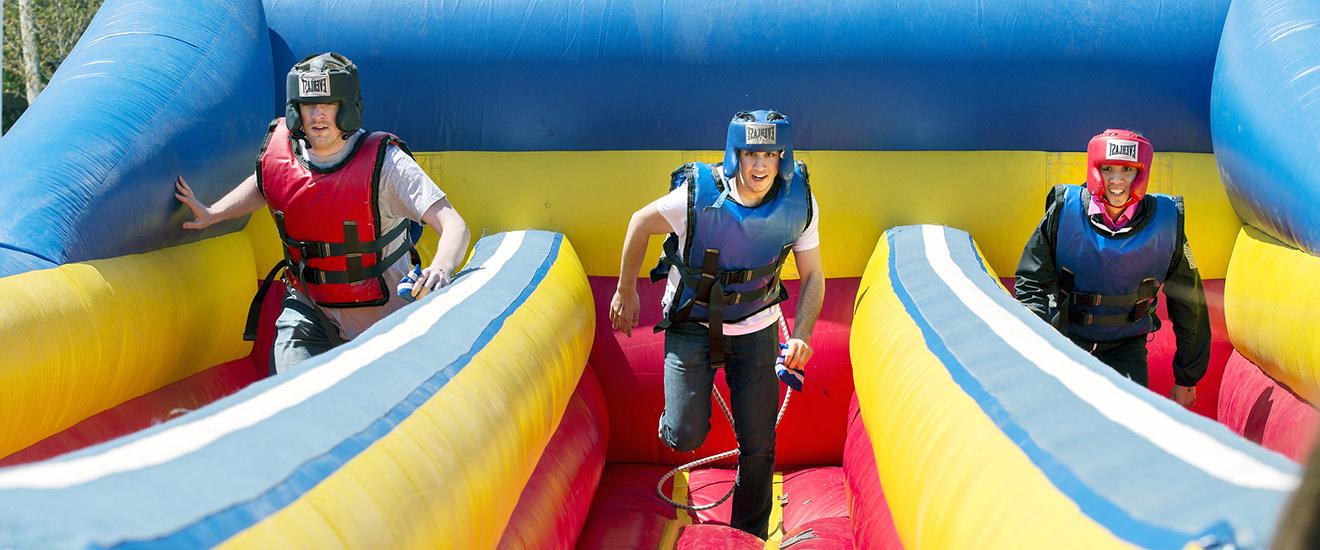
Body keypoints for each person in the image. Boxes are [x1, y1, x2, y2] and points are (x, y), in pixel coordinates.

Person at [174, 52, 469, 374]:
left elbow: (453, 224)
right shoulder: (282, 154)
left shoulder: (387, 163)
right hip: (309, 309)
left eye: (327, 104)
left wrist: (441, 267)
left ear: (346, 108)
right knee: (288, 392)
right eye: (307, 105)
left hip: (384, 319)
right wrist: (212, 213)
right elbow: (264, 184)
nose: (316, 115)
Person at [609, 110, 825, 539]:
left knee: (759, 445)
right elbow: (639, 222)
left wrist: (800, 335)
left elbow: (814, 276)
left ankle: (749, 535)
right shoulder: (696, 194)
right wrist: (625, 291)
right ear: (734, 155)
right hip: (693, 322)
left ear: (783, 156)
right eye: (750, 154)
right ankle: (675, 418)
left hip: (757, 326)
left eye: (770, 154)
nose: (760, 165)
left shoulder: (801, 201)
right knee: (685, 435)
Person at [1015, 129, 1208, 408]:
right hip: (1067, 340)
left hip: (1126, 349)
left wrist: (1187, 378)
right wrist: (1038, 346)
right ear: (1096, 170)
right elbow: (1031, 282)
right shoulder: (1064, 211)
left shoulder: (1166, 224)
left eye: (1127, 170)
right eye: (1108, 169)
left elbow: (1190, 302)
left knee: (1130, 432)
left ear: (1141, 174)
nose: (1116, 180)